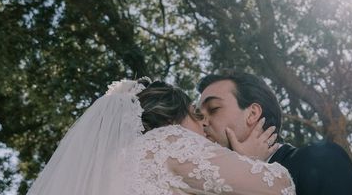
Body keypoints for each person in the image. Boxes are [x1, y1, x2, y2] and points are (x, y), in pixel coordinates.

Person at [26, 78, 295, 195]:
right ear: (170, 119)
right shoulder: (167, 142)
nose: (203, 126)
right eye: (195, 114)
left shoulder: (112, 167)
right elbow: (281, 188)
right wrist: (249, 161)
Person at [197, 71, 352, 195]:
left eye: (213, 109)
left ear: (252, 114)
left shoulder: (320, 160)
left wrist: (252, 174)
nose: (202, 122)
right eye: (198, 115)